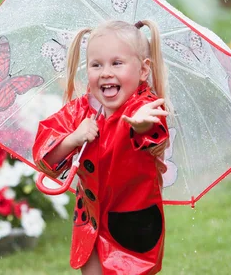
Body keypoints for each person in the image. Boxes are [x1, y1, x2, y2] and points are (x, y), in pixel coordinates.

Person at [33, 20, 171, 275]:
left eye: (117, 63)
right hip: (91, 219)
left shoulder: (144, 107)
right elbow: (46, 156)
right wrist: (73, 139)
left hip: (131, 219)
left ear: (143, 70)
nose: (105, 72)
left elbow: (154, 134)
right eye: (97, 65)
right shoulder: (81, 111)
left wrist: (140, 127)